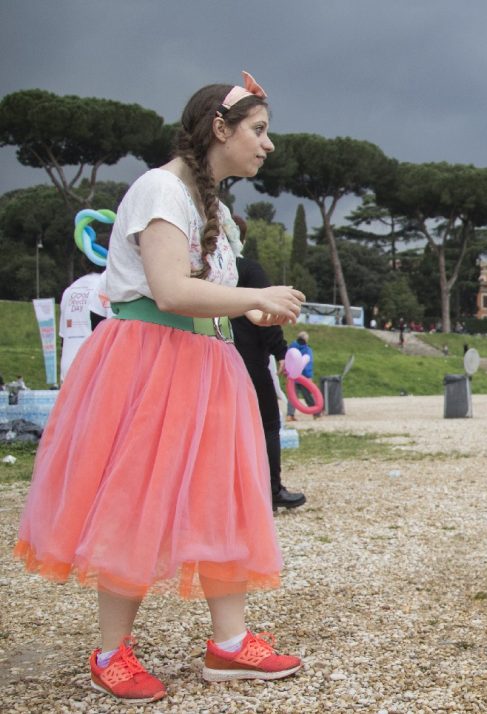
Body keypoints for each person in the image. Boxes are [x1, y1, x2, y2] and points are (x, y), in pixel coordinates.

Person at [13, 72, 304, 703]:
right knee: (135, 499)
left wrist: (249, 312)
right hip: (151, 364)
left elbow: (199, 297)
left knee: (220, 496)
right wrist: (254, 293)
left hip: (203, 361)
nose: (268, 144)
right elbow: (168, 290)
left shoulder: (213, 208)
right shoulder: (160, 188)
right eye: (259, 130)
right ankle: (111, 651)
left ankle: (229, 645)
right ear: (219, 129)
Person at [230, 215, 306, 512]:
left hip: (210, 357)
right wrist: (282, 353)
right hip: (249, 361)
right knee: (268, 425)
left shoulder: (202, 273)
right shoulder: (248, 269)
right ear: (242, 239)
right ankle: (271, 489)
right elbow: (270, 318)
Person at [59, 271, 110, 382]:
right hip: (93, 368)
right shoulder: (105, 284)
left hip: (68, 367)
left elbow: (63, 338)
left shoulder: (70, 290)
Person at [286, 331, 318, 421]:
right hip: (303, 378)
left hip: (292, 377)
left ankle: (290, 415)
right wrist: (309, 377)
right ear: (306, 340)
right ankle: (316, 413)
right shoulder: (307, 350)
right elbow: (308, 364)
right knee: (308, 395)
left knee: (292, 396)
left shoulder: (291, 347)